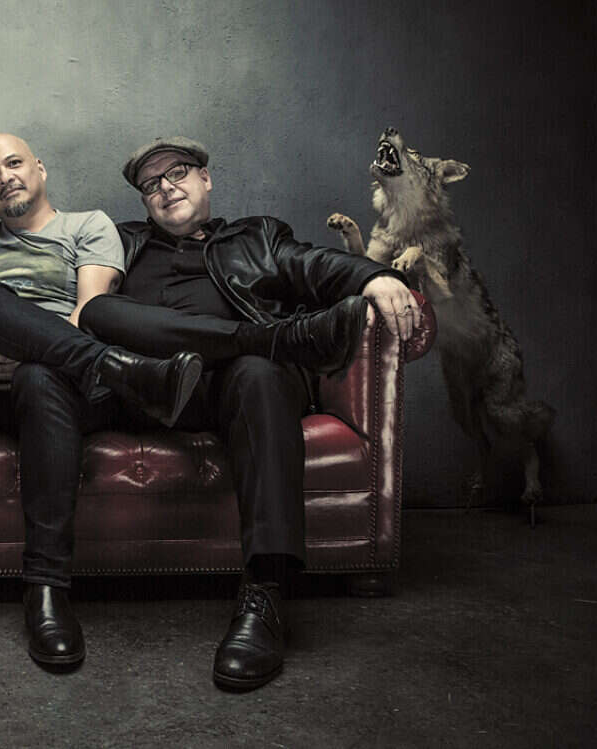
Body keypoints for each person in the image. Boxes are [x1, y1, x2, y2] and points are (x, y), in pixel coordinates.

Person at [76, 136, 422, 691]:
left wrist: (375, 276)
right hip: (156, 389)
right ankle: (276, 338)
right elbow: (82, 306)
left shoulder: (257, 237)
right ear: (144, 201)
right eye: (151, 184)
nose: (165, 188)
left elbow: (315, 264)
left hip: (241, 386)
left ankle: (265, 593)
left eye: (178, 173)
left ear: (206, 179)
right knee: (100, 309)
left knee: (258, 371)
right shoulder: (123, 243)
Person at [0, 133, 204, 667]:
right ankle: (124, 371)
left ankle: (46, 589)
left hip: (63, 384)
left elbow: (89, 312)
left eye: (14, 163)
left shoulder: (88, 225)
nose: (4, 177)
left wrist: (36, 357)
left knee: (38, 377)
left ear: (40, 168)